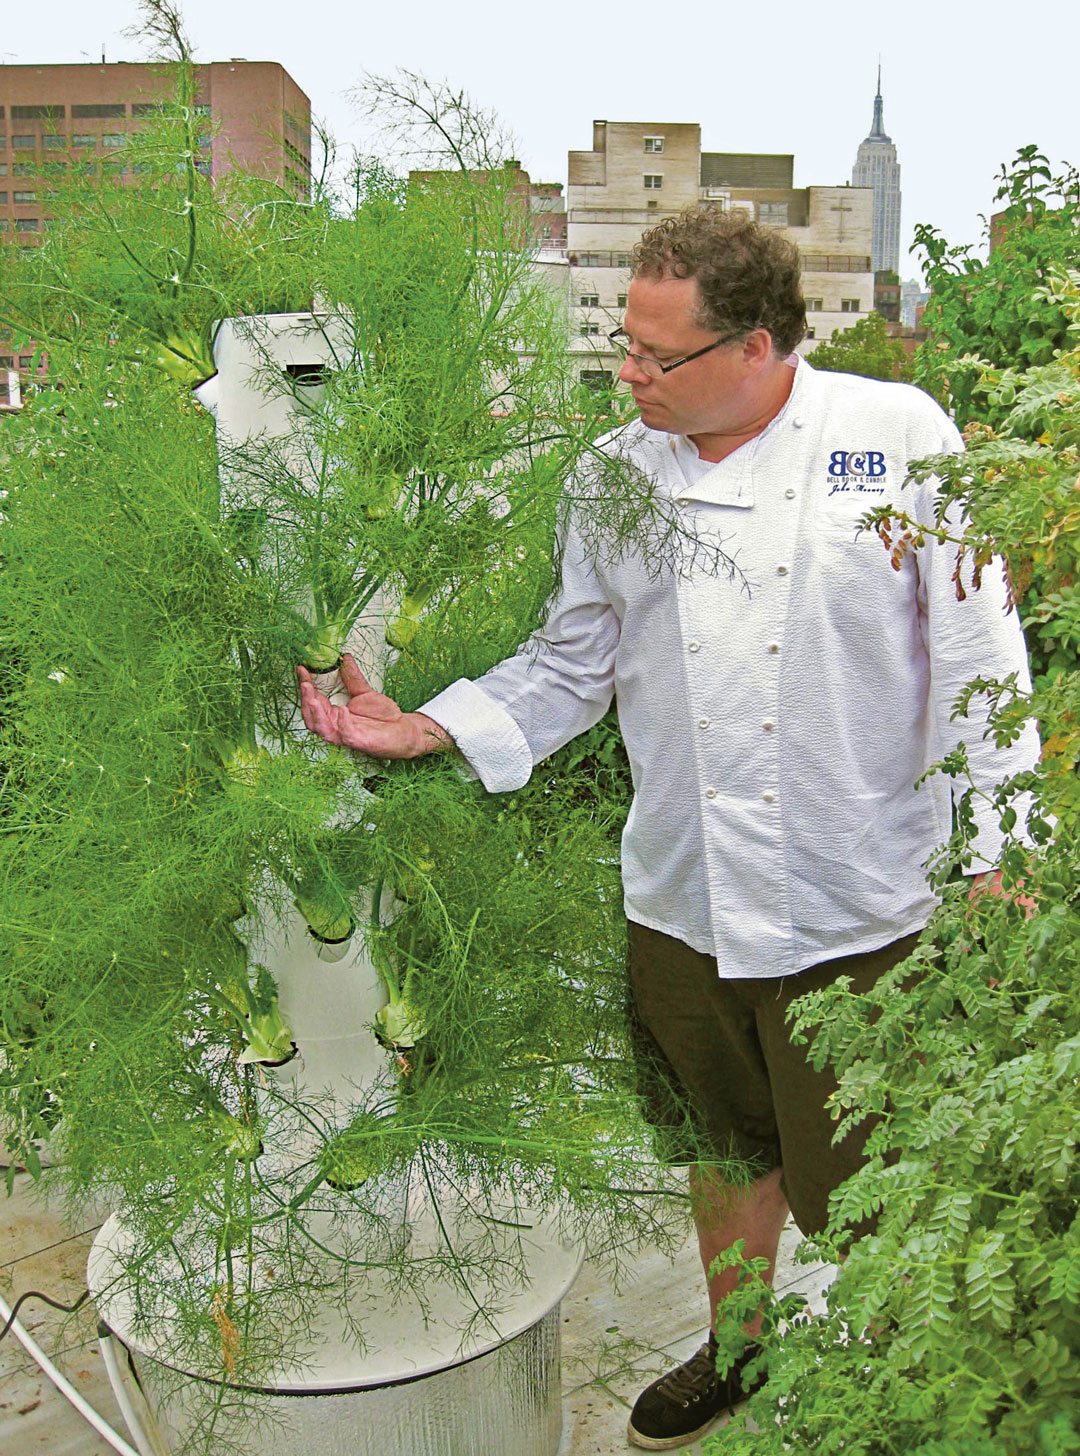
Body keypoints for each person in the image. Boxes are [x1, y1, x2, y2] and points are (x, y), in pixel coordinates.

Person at [298, 207, 1039, 1451]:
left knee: (870, 1183)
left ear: (756, 346)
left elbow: (978, 654)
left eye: (655, 355)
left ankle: (902, 1379)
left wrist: (1000, 852)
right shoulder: (612, 472)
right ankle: (740, 1347)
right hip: (683, 898)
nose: (626, 373)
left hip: (863, 901)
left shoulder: (894, 437)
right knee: (717, 1144)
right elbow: (574, 660)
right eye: (622, 346)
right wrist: (426, 726)